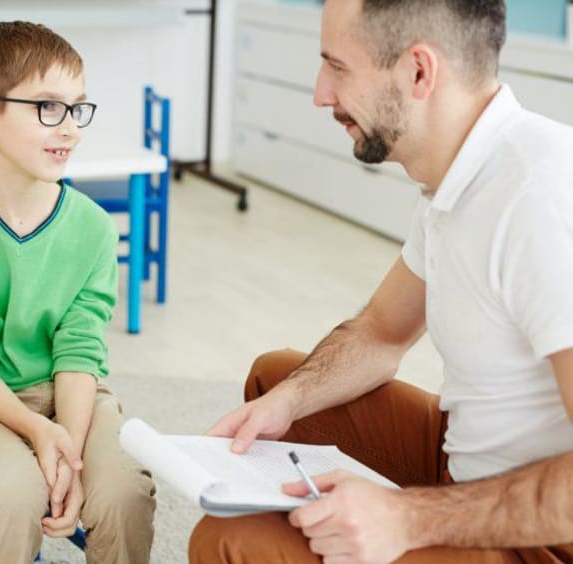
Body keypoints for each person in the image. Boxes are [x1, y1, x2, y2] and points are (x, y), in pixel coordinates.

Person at [189, 0, 573, 562]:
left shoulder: (540, 199)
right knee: (274, 382)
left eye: (337, 67)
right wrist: (290, 398)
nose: (320, 93)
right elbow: (381, 333)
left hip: (541, 531)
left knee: (232, 541)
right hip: (466, 462)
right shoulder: (460, 172)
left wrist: (407, 517)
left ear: (419, 71)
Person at [0, 21, 155, 564]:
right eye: (47, 107)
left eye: (77, 108)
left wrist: (66, 446)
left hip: (74, 394)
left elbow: (79, 348)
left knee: (123, 491)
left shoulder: (92, 228)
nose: (70, 127)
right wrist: (37, 434)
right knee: (13, 494)